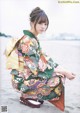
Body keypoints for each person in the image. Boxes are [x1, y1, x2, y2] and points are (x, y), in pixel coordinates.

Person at [5, 7, 75, 111]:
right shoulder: (28, 41)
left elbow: (45, 59)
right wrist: (64, 71)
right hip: (22, 80)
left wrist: (61, 68)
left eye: (45, 24)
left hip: (26, 75)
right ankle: (26, 95)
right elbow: (38, 68)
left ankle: (31, 94)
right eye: (40, 23)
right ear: (32, 22)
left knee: (59, 73)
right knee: (58, 79)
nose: (43, 27)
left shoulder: (32, 38)